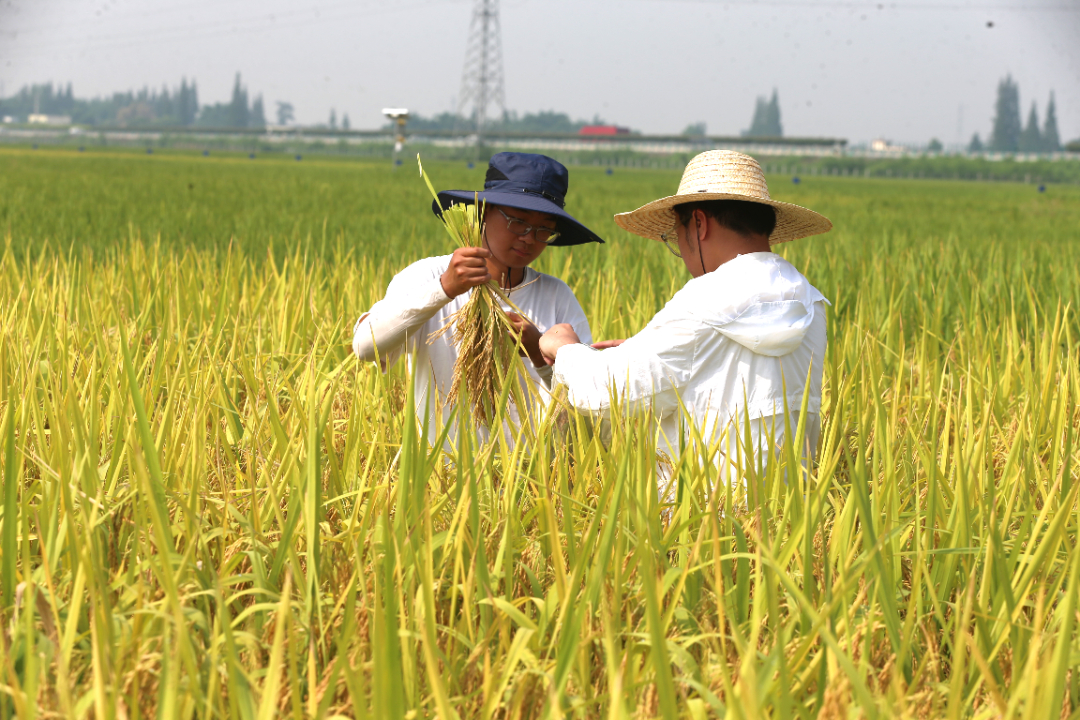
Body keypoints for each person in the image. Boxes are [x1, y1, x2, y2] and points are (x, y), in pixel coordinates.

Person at [538, 150, 833, 492]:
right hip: (789, 514)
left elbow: (610, 393)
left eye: (675, 236)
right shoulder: (810, 302)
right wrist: (641, 348)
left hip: (699, 523)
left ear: (699, 223)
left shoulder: (704, 299)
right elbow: (716, 370)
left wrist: (566, 349)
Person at [353, 152, 604, 445]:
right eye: (517, 221)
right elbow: (364, 348)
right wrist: (445, 288)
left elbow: (588, 402)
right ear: (484, 212)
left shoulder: (555, 296)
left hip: (529, 477)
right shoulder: (428, 276)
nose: (528, 237)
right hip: (440, 473)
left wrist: (538, 352)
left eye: (543, 230)